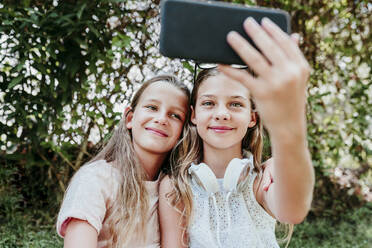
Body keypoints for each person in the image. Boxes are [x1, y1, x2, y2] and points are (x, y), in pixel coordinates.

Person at [159, 17, 315, 247]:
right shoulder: (175, 187)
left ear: (252, 117)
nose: (222, 114)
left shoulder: (263, 178)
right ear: (193, 115)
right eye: (209, 103)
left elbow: (293, 210)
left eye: (235, 104)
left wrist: (288, 128)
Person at [56, 75, 190, 248]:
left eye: (175, 115)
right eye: (152, 107)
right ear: (130, 119)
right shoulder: (96, 179)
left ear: (184, 131)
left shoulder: (174, 188)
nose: (161, 119)